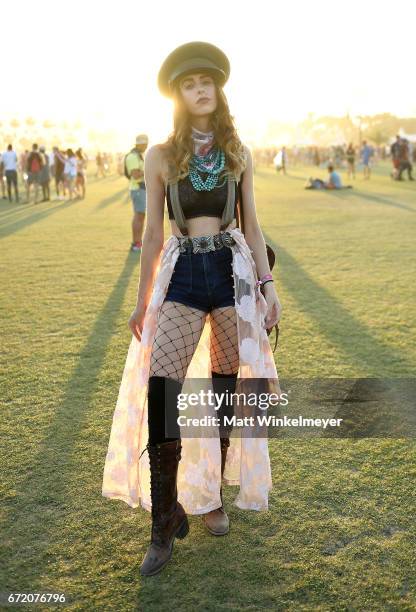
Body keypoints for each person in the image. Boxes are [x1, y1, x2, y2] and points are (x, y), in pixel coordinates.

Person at [102, 41, 283, 577]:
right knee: (163, 392)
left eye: (207, 82)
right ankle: (164, 520)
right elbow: (154, 235)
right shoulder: (160, 155)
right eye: (189, 84)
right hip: (182, 276)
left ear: (217, 90)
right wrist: (142, 302)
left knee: (225, 391)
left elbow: (251, 225)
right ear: (177, 95)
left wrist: (268, 286)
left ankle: (212, 499)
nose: (201, 89)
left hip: (231, 273)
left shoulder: (238, 150)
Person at [125, 134, 148, 251]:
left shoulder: (139, 155)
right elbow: (135, 175)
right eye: (145, 144)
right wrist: (149, 170)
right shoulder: (133, 156)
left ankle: (139, 241)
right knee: (138, 216)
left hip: (141, 189)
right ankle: (136, 243)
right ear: (140, 144)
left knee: (141, 215)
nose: (146, 146)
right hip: (137, 189)